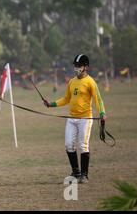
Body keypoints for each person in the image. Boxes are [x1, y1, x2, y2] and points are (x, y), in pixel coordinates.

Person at [43, 54, 107, 183]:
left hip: (85, 119)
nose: (76, 68)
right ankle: (76, 171)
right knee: (69, 145)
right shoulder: (72, 81)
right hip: (71, 118)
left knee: (83, 145)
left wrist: (102, 113)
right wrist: (52, 104)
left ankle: (84, 175)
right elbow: (66, 99)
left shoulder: (90, 82)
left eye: (79, 66)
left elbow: (98, 99)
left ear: (85, 67)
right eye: (75, 66)